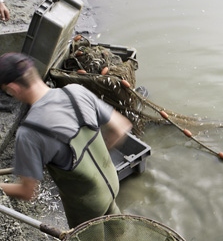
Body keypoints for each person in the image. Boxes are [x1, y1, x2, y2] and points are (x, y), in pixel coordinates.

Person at [0, 52, 132, 229]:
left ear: (13, 89)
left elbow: (27, 192)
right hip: (111, 182)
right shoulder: (75, 91)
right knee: (115, 224)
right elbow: (121, 126)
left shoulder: (29, 133)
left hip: (87, 204)